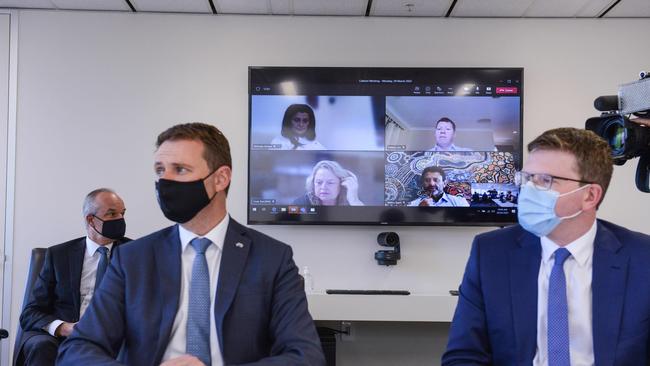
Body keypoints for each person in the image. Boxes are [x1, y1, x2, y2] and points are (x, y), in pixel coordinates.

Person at [58, 123, 325, 366]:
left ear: (220, 178)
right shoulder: (133, 260)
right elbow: (78, 349)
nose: (165, 182)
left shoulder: (271, 258)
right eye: (160, 171)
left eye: (181, 170)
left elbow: (306, 356)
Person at [442, 128, 650, 365]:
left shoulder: (643, 259)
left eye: (545, 180)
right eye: (527, 178)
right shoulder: (490, 253)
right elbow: (464, 355)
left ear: (590, 195)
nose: (529, 190)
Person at [18, 188, 129, 366]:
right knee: (41, 346)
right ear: (91, 220)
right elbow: (30, 313)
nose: (120, 219)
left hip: (116, 338)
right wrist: (64, 328)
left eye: (122, 213)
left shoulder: (135, 254)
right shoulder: (59, 255)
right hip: (66, 338)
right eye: (111, 213)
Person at [293, 160, 364, 206]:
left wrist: (354, 200)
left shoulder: (351, 200)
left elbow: (365, 219)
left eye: (330, 183)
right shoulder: (301, 203)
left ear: (342, 184)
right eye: (319, 182)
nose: (323, 187)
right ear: (313, 184)